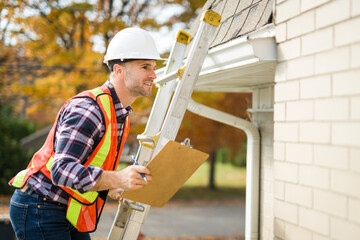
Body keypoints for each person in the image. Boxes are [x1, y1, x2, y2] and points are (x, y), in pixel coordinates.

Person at [9, 27, 164, 240]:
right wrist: (117, 177)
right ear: (118, 70)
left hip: (63, 208)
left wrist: (111, 186)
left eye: (154, 67)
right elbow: (62, 171)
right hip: (39, 207)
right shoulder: (90, 110)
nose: (153, 75)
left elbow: (89, 161)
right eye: (145, 67)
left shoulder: (120, 114)